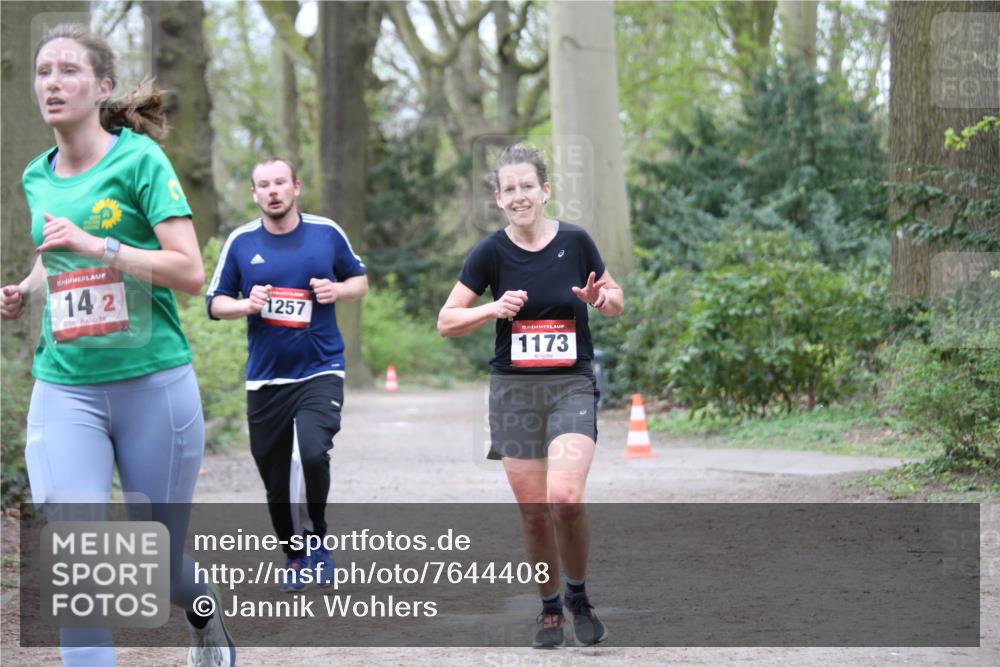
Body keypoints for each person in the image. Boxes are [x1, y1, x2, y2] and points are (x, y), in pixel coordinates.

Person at [0, 24, 234, 667]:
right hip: (65, 385)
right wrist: (25, 287)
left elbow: (188, 272)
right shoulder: (35, 176)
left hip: (152, 384)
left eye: (68, 71)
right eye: (43, 71)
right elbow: (57, 258)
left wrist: (98, 244)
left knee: (157, 558)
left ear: (101, 86)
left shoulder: (138, 161)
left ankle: (205, 615)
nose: (52, 82)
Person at [437, 144, 624, 648]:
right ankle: (548, 607)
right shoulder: (490, 253)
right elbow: (446, 321)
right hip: (515, 391)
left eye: (527, 186)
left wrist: (598, 299)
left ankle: (578, 594)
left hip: (570, 385)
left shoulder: (577, 242)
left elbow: (615, 300)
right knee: (534, 510)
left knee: (565, 498)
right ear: (499, 199)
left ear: (545, 190)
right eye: (509, 189)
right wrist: (491, 309)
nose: (519, 196)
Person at [205, 157, 368, 591]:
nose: (273, 190)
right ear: (254, 194)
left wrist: (337, 290)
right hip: (266, 379)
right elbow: (215, 302)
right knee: (275, 478)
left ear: (295, 187)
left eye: (280, 182)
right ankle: (293, 556)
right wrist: (246, 305)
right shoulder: (240, 242)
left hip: (320, 367)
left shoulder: (326, 232)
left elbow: (360, 282)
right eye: (264, 185)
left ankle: (317, 541)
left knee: (312, 453)